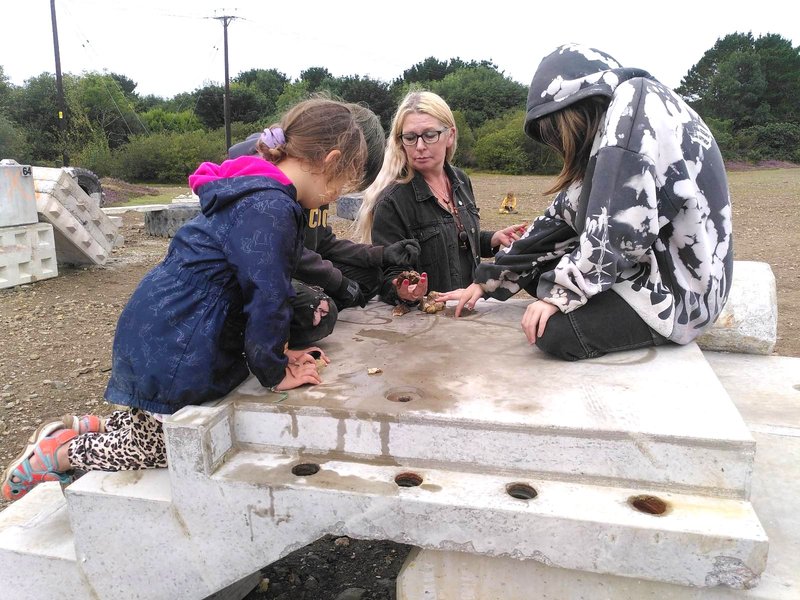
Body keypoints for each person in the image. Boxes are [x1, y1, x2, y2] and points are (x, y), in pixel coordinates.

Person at [1, 98, 369, 501]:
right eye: (342, 185)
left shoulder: (256, 189)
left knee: (158, 417)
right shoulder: (271, 206)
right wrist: (275, 371)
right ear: (331, 161)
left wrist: (280, 351)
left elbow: (260, 288)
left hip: (166, 322)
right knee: (158, 446)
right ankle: (60, 455)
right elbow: (268, 295)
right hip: (180, 338)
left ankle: (86, 427)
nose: (334, 199)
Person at [439, 44, 733, 360]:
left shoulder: (632, 115)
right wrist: (488, 280)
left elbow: (619, 230)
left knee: (554, 334)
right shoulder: (624, 113)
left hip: (682, 295)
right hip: (652, 267)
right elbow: (559, 220)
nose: (559, 146)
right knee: (538, 275)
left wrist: (559, 296)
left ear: (570, 114)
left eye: (555, 134)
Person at [229, 102, 420, 345]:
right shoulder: (275, 190)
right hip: (267, 272)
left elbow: (323, 242)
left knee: (370, 275)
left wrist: (382, 255)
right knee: (318, 310)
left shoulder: (316, 180)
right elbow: (288, 253)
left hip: (297, 268)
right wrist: (337, 282)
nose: (339, 193)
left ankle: (311, 302)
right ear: (335, 158)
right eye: (347, 179)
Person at [353, 90, 526, 307]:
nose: (420, 146)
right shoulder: (391, 201)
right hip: (428, 322)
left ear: (450, 135)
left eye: (429, 135)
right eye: (410, 137)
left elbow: (455, 238)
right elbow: (388, 277)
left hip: (468, 308)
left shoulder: (461, 181)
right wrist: (404, 291)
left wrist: (492, 239)